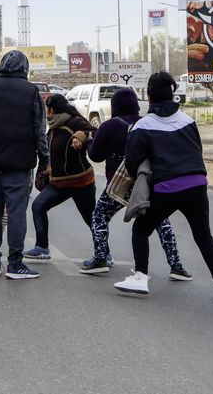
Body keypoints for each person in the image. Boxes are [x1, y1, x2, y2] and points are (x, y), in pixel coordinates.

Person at [115, 72, 213, 301]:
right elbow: (197, 150)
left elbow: (132, 162)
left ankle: (140, 277)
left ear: (148, 96)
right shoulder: (188, 120)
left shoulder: (143, 125)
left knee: (141, 229)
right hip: (197, 185)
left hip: (167, 188)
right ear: (172, 93)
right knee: (203, 236)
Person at [79, 87, 191, 279]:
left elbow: (95, 156)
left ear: (115, 105)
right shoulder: (147, 122)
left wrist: (89, 141)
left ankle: (100, 259)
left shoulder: (109, 126)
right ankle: (176, 266)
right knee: (161, 221)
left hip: (120, 183)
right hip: (147, 182)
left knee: (99, 216)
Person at [0, 49, 49, 279]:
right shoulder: (30, 92)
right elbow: (39, 129)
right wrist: (45, 159)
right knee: (16, 212)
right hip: (18, 164)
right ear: (24, 68)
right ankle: (15, 263)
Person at [23, 94, 96, 261]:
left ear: (53, 109)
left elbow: (94, 131)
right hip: (59, 183)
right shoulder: (54, 127)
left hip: (81, 182)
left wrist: (81, 136)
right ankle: (42, 248)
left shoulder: (74, 121)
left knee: (91, 218)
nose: (46, 112)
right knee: (38, 206)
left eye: (48, 108)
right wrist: (48, 169)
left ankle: (103, 253)